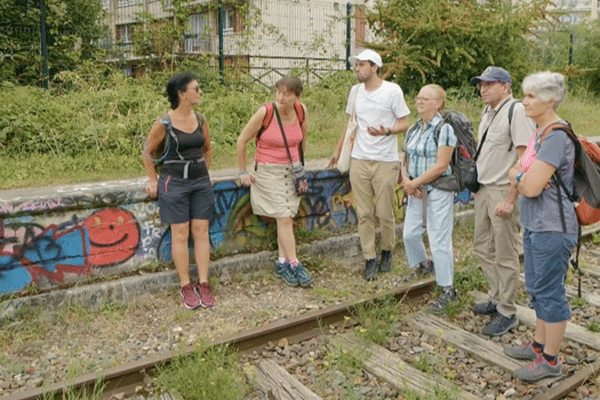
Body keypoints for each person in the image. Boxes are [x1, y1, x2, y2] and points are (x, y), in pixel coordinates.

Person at [504, 71, 577, 382]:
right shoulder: (539, 133)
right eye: (525, 94)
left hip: (553, 227)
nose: (524, 101)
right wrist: (521, 176)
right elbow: (520, 173)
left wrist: (520, 177)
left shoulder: (557, 136)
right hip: (536, 224)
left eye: (531, 96)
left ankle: (551, 360)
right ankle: (538, 346)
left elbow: (530, 186)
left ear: (550, 100)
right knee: (537, 289)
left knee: (550, 293)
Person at [328, 49, 410, 281]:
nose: (357, 69)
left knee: (384, 213)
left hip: (385, 160)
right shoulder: (355, 92)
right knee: (363, 212)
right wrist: (337, 149)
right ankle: (369, 257)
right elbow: (350, 123)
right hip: (360, 159)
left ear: (375, 67)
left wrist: (387, 131)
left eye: (362, 65)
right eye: (356, 66)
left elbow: (404, 122)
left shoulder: (392, 91)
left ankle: (386, 250)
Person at [469, 66, 535, 336]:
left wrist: (511, 197)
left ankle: (507, 311)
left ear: (506, 86)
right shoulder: (488, 111)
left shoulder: (515, 111)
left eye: (490, 84)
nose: (483, 88)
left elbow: (524, 158)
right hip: (485, 189)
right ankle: (496, 297)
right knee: (482, 247)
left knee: (505, 253)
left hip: (502, 191)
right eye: (481, 84)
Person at [142, 72, 215, 310]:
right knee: (181, 233)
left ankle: (203, 283)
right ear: (181, 94)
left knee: (201, 231)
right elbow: (148, 152)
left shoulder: (201, 120)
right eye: (196, 88)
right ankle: (185, 285)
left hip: (200, 182)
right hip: (174, 183)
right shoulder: (164, 123)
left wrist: (204, 173)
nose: (200, 92)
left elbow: (207, 150)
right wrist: (153, 180)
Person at [236, 76, 313, 288]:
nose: (281, 97)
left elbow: (303, 138)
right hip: (269, 172)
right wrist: (243, 171)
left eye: (287, 94)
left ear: (297, 96)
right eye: (278, 92)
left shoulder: (301, 111)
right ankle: (296, 263)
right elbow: (242, 141)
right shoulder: (266, 112)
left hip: (292, 171)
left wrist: (300, 164)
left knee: (286, 216)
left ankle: (282, 263)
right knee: (284, 217)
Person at [401, 84, 458, 312]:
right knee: (409, 234)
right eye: (418, 97)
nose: (420, 101)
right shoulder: (414, 129)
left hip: (438, 189)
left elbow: (442, 165)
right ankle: (424, 265)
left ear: (439, 103)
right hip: (415, 190)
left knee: (439, 239)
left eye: (426, 98)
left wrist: (415, 182)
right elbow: (404, 158)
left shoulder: (444, 130)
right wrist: (407, 181)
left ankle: (448, 289)